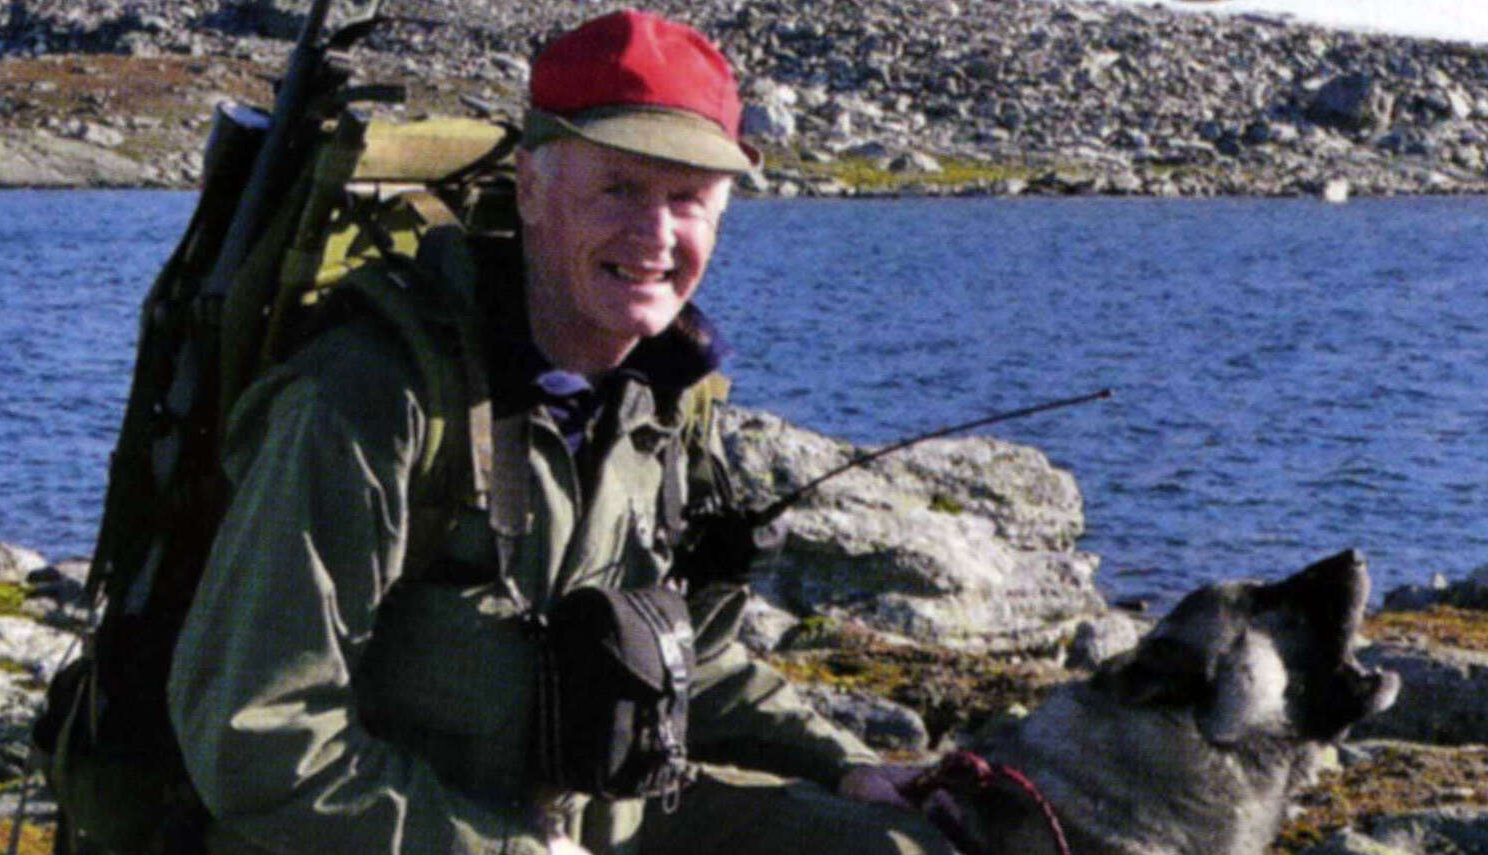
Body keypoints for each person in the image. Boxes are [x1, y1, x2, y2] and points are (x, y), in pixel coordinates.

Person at [167, 9, 957, 855]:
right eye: (618, 188)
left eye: (687, 199)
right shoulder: (368, 401)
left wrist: (843, 764)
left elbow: (689, 656)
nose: (655, 235)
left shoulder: (661, 402)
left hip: (586, 830)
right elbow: (257, 736)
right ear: (531, 187)